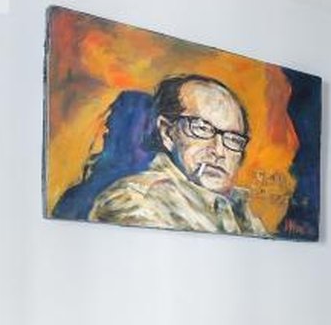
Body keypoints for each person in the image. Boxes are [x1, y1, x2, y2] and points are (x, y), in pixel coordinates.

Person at [89, 75, 267, 236]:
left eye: (233, 139)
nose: (219, 152)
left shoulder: (239, 210)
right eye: (201, 128)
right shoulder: (136, 202)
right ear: (167, 133)